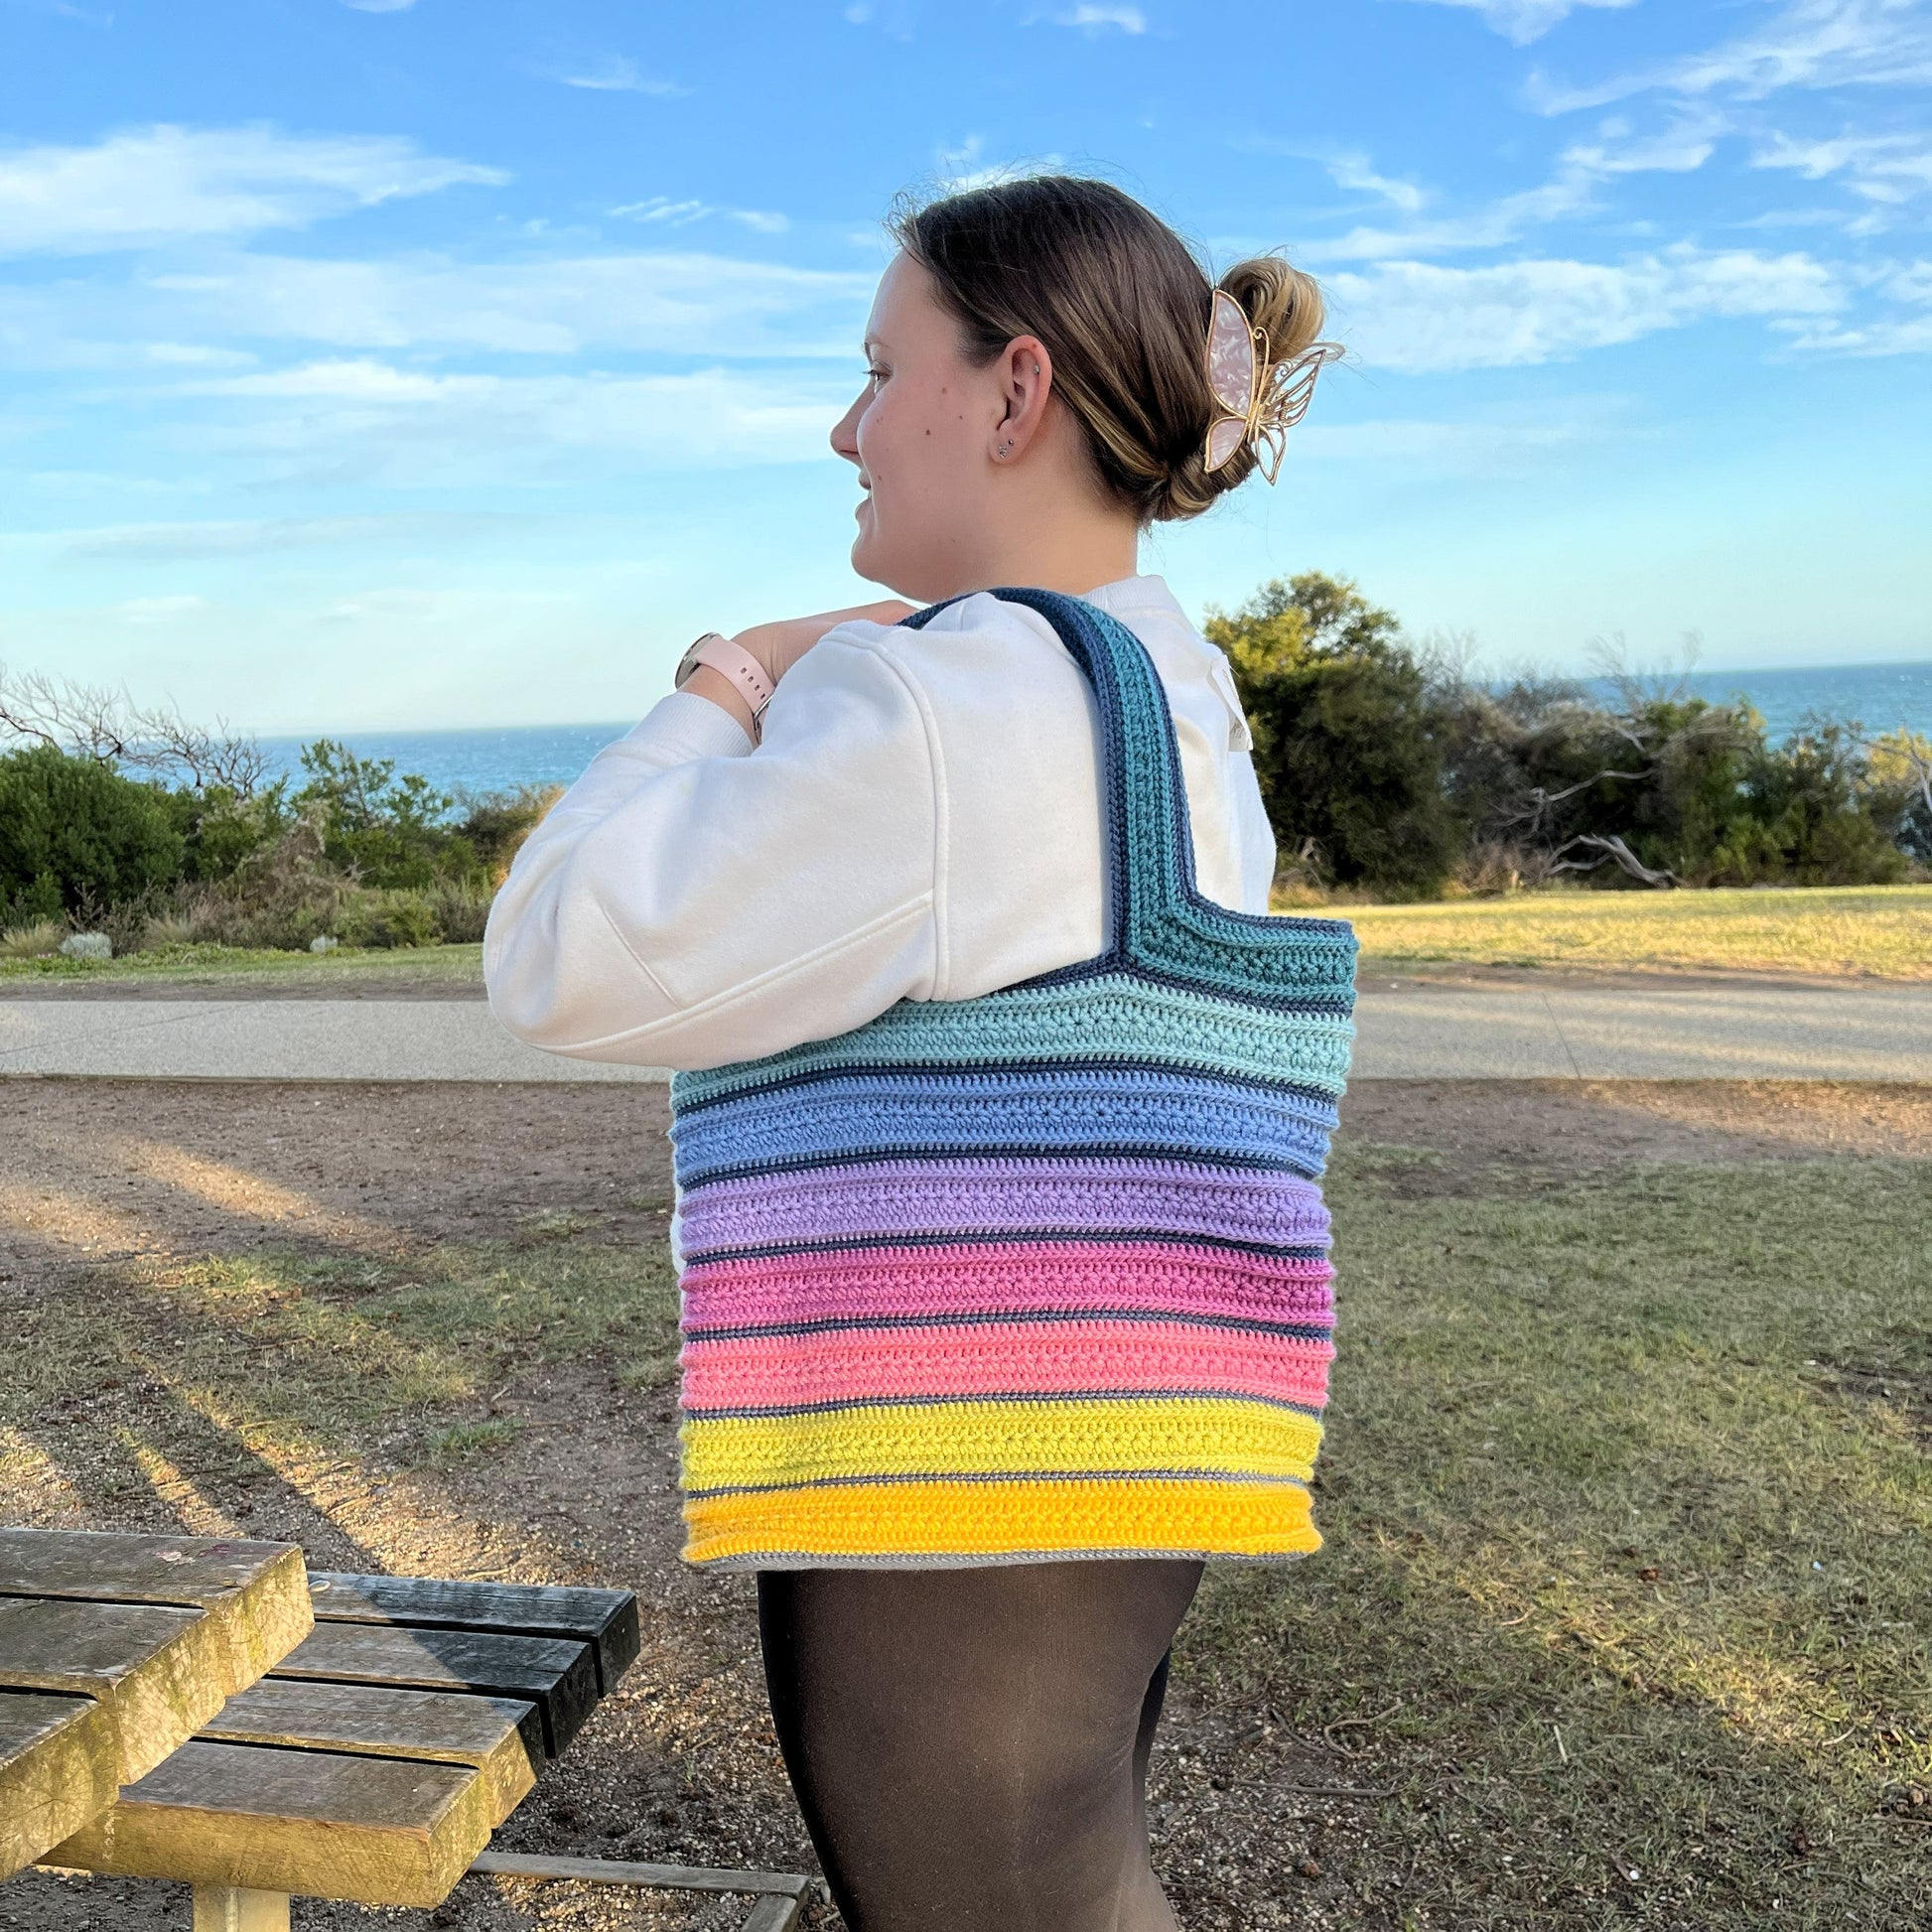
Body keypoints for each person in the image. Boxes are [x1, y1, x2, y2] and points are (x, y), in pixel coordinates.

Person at [484, 174, 1356, 1932]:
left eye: (881, 369)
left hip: (960, 1468)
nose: (845, 425)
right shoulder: (1164, 678)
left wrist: (728, 677)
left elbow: (560, 953)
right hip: (1121, 1447)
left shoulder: (949, 706)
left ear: (1016, 392)